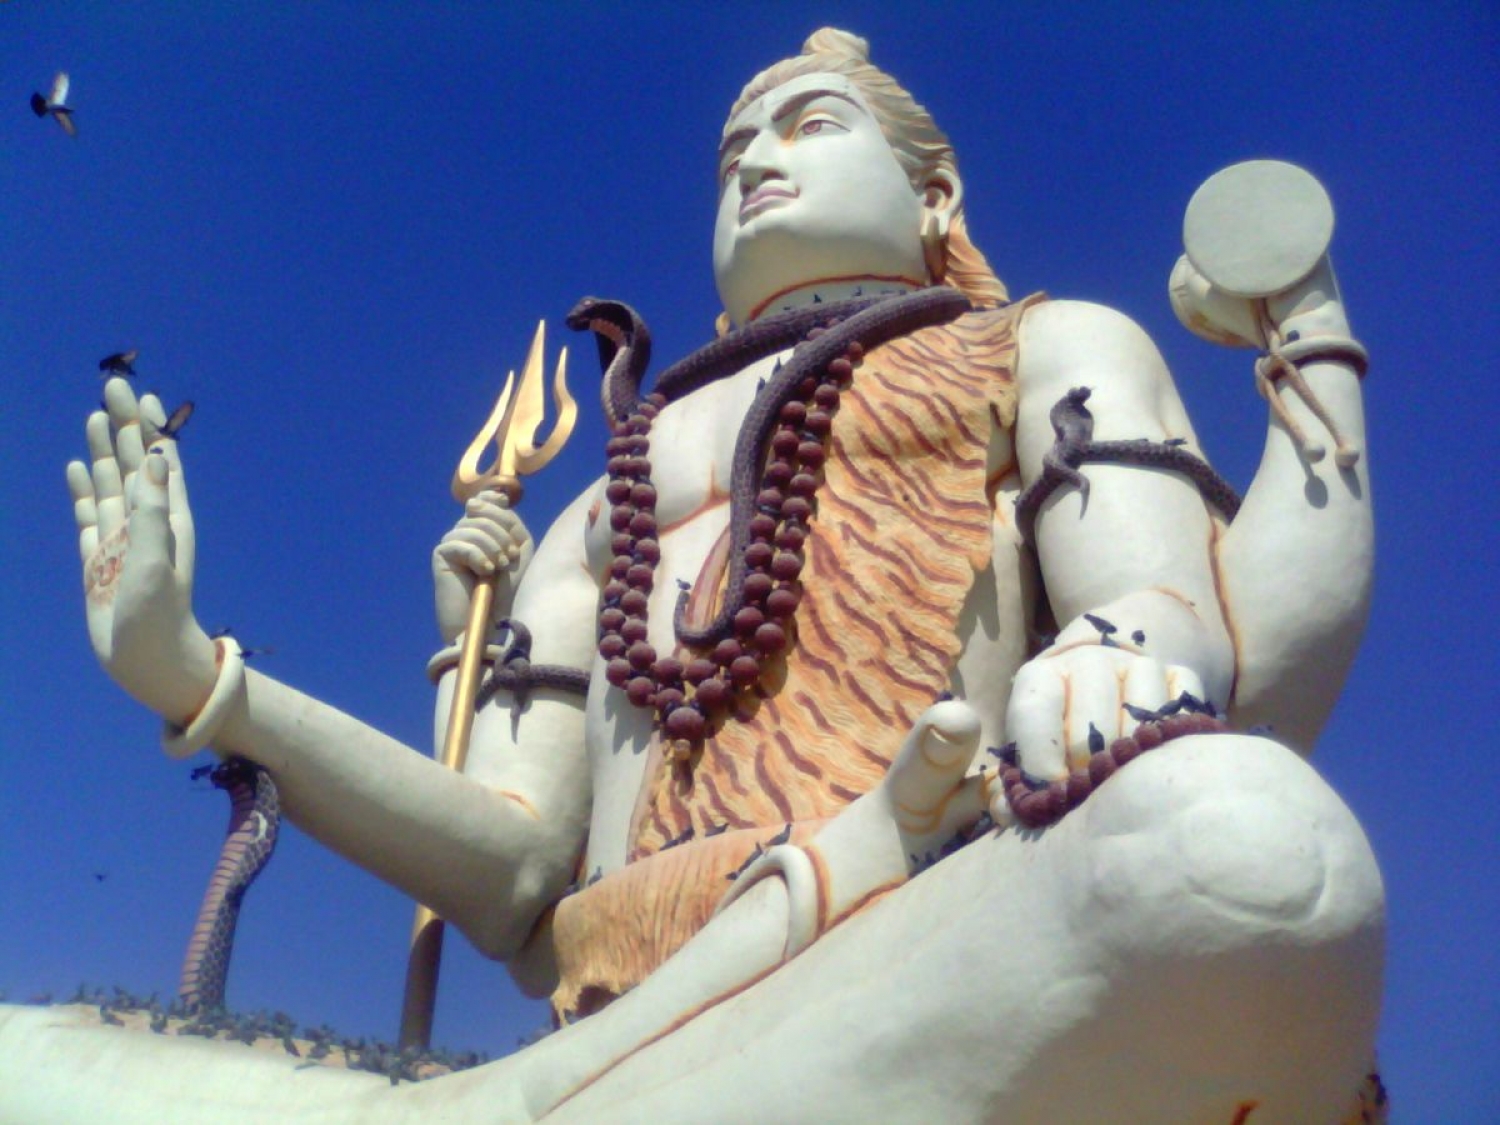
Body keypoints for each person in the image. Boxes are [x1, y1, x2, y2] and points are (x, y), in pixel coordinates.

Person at [2, 27, 1383, 1122]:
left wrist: (1129, 645)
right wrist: (202, 680)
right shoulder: (609, 495)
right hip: (619, 1032)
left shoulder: (1042, 343)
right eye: (730, 147)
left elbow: (1174, 635)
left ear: (935, 194)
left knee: (1227, 843)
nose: (754, 163)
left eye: (807, 125)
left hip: (906, 935)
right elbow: (517, 865)